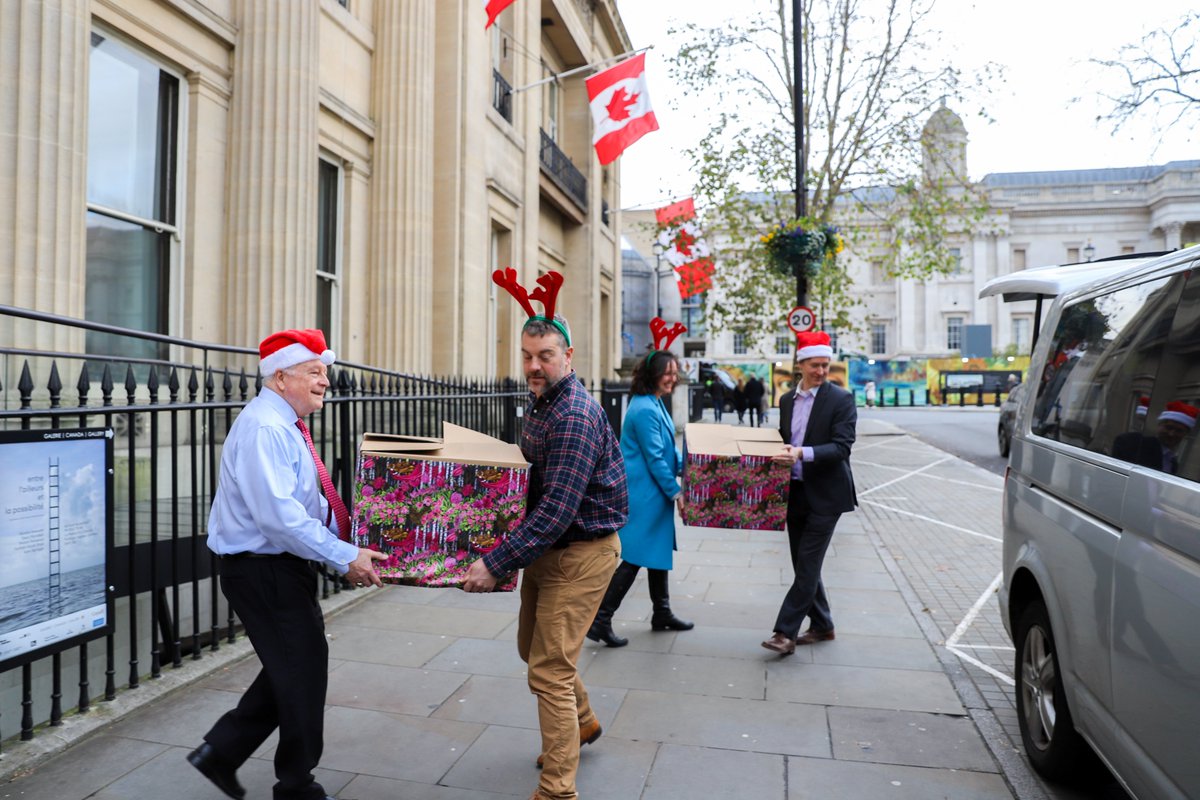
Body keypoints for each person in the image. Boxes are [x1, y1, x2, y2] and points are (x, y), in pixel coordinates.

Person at [188, 328, 386, 800]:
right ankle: (295, 785)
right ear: (280, 377)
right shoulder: (266, 428)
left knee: (295, 663)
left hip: (277, 567)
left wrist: (354, 538)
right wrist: (344, 557)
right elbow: (279, 519)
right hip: (261, 568)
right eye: (315, 372)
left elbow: (306, 504)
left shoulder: (287, 425)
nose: (325, 382)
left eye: (326, 373)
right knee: (302, 667)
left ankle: (221, 751)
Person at [464, 269, 627, 800]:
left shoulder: (573, 415)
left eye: (546, 356)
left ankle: (558, 789)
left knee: (550, 670)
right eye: (528, 355)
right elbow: (531, 480)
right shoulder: (544, 402)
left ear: (568, 355)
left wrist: (493, 562)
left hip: (579, 555)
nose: (534, 366)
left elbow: (556, 510)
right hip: (548, 551)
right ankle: (581, 723)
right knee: (531, 650)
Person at [587, 349, 693, 648]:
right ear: (653, 375)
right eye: (669, 372)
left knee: (656, 552)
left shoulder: (652, 403)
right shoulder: (645, 408)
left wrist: (690, 469)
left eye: (675, 372)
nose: (674, 378)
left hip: (651, 493)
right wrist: (677, 491)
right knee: (634, 558)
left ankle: (661, 612)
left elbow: (668, 450)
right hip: (644, 494)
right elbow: (656, 458)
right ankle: (600, 620)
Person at [762, 330, 857, 656]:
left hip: (828, 495)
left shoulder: (841, 400)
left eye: (825, 365)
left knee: (807, 564)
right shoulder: (787, 400)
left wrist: (802, 453)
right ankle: (823, 625)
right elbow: (784, 438)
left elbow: (842, 448)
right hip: (796, 492)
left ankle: (784, 633)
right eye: (814, 365)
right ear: (800, 364)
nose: (821, 371)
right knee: (803, 564)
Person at [1112, 400, 1197, 474]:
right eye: (1168, 427)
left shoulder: (1173, 463)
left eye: (1178, 431)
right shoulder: (1136, 442)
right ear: (1159, 425)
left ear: (1185, 434)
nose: (1171, 434)